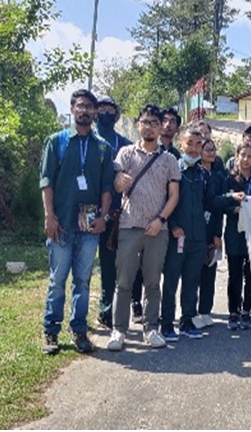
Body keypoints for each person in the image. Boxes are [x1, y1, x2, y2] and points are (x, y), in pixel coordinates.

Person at [40, 89, 114, 354]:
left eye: (89, 107)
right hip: (61, 223)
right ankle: (50, 331)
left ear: (95, 113)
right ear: (72, 109)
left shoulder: (103, 148)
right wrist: (49, 217)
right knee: (57, 280)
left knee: (82, 280)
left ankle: (79, 330)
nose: (84, 110)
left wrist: (104, 217)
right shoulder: (56, 142)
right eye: (80, 105)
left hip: (89, 227)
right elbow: (46, 182)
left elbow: (107, 188)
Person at [107, 104, 181, 351]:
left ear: (161, 128)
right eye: (145, 122)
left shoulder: (170, 159)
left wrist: (160, 220)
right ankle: (119, 330)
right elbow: (116, 184)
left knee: (152, 282)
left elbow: (173, 196)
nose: (149, 127)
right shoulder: (125, 153)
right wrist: (119, 182)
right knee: (124, 281)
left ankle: (151, 328)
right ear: (138, 124)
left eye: (154, 123)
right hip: (129, 226)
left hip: (157, 229)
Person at [160, 127, 216, 342]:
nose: (193, 149)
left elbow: (212, 202)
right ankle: (166, 323)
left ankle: (187, 320)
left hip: (198, 239)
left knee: (192, 281)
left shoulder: (203, 174)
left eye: (198, 144)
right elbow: (163, 201)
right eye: (189, 143)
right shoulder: (172, 171)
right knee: (172, 281)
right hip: (177, 238)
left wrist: (233, 199)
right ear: (180, 144)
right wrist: (172, 225)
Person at [94, 95, 133, 330]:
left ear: (116, 115)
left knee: (119, 264)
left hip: (119, 214)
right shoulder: (88, 139)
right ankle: (103, 308)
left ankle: (116, 310)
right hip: (92, 212)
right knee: (100, 265)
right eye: (102, 109)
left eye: (110, 109)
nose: (106, 113)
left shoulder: (125, 144)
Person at [218, 142, 251, 331]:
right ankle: (233, 311)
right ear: (236, 156)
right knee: (234, 273)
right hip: (234, 232)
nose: (246, 160)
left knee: (250, 273)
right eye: (243, 155)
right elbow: (221, 203)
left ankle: (246, 311)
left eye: (250, 156)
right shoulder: (229, 180)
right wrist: (234, 208)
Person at [195, 137, 225, 329]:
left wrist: (217, 233)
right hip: (194, 228)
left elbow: (219, 205)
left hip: (211, 227)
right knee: (193, 273)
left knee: (209, 272)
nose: (210, 153)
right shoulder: (193, 173)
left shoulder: (219, 177)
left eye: (213, 149)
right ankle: (190, 312)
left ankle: (205, 311)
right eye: (207, 149)